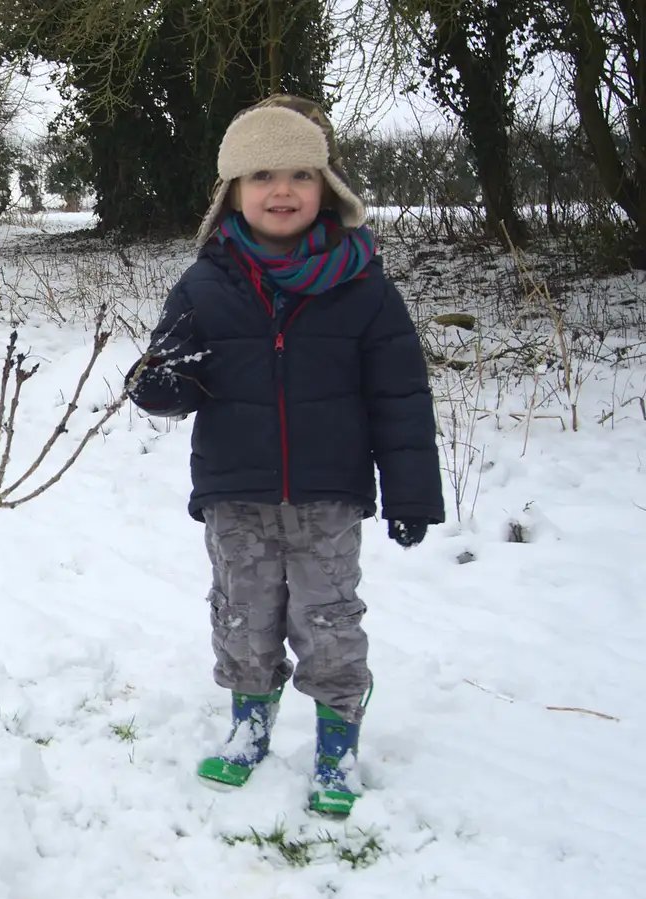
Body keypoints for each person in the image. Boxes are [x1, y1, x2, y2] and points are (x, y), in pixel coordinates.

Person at [127, 95, 445, 818]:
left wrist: (414, 493)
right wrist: (159, 386)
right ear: (232, 193)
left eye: (300, 174)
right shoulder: (205, 283)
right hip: (235, 490)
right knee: (242, 612)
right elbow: (169, 375)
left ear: (326, 187)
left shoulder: (362, 284)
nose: (282, 190)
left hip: (329, 492)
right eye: (261, 174)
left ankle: (337, 742)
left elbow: (400, 396)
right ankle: (249, 727)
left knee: (330, 619)